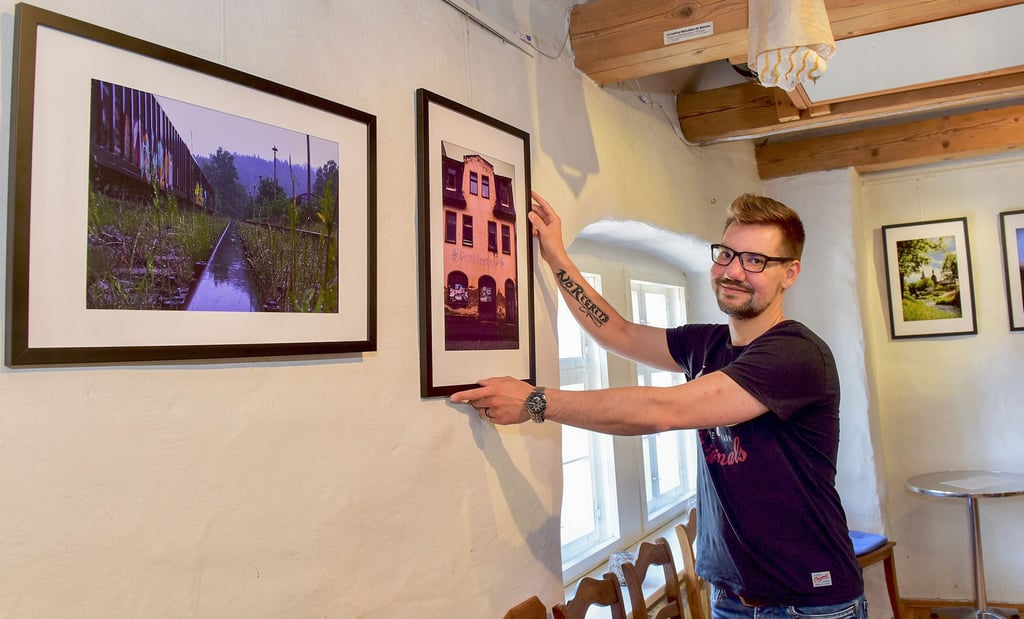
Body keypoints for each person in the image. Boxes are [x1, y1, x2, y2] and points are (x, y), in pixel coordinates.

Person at [451, 191, 866, 618]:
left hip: (810, 603)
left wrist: (536, 401)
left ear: (790, 273)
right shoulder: (706, 344)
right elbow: (619, 333)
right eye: (726, 254)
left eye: (755, 261)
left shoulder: (795, 354)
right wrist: (558, 257)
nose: (733, 271)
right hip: (731, 598)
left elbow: (664, 411)